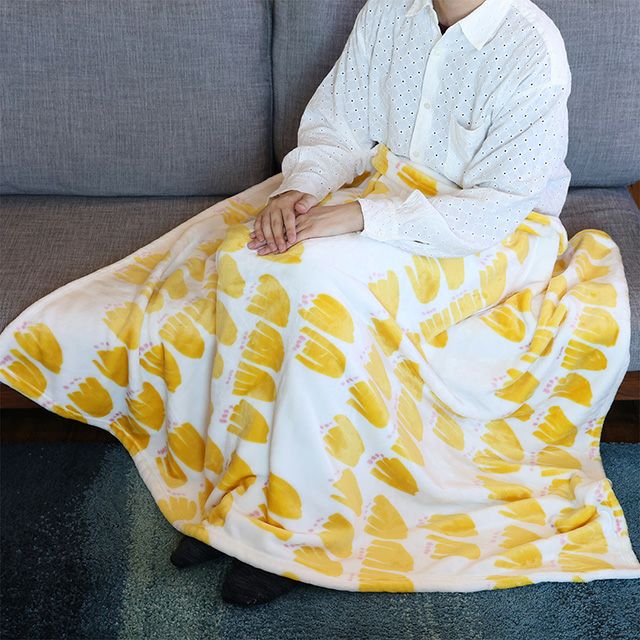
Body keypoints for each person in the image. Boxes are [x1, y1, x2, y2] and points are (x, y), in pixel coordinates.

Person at [170, 0, 573, 605]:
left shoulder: (532, 46)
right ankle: (242, 492)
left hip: (492, 234)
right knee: (249, 258)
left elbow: (496, 206)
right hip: (392, 194)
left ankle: (295, 529)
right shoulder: (388, 10)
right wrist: (299, 191)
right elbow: (340, 126)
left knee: (322, 291)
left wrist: (361, 215)